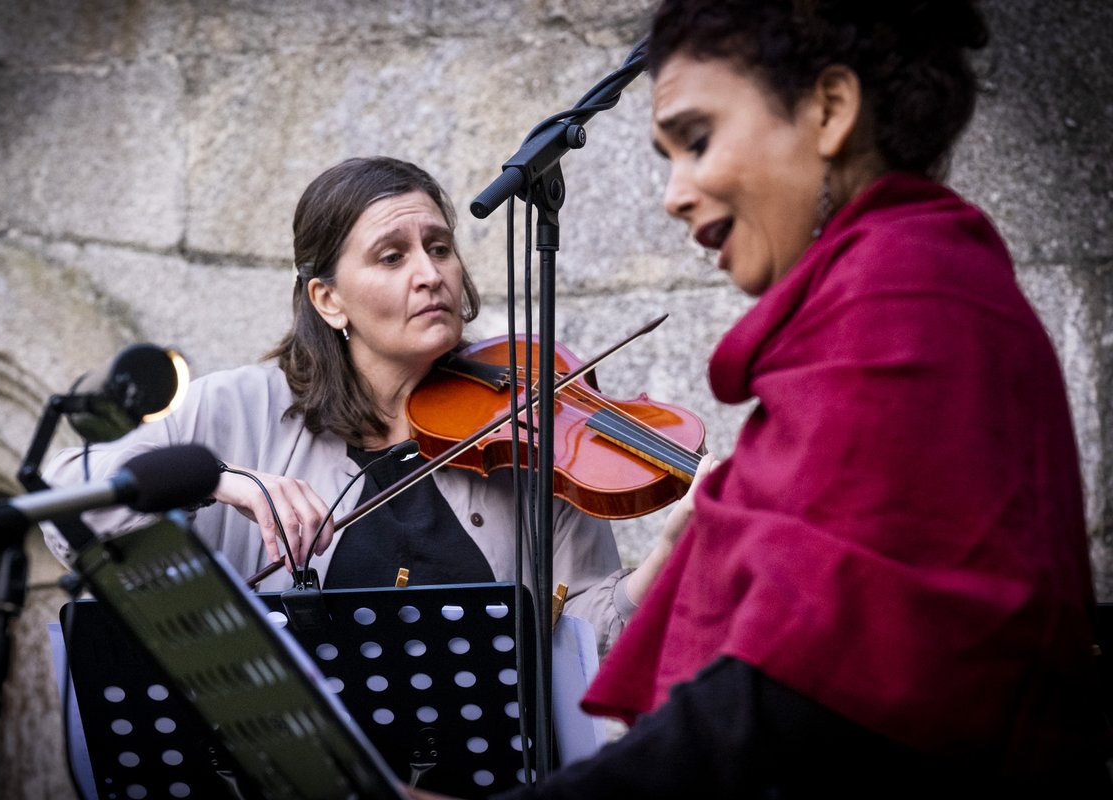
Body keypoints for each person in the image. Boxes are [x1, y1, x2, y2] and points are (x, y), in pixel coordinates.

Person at [413, 1, 1112, 798]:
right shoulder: (899, 284)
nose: (675, 195)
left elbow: (799, 701)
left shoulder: (906, 298)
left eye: (698, 140)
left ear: (829, 110)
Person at [42, 156, 713, 656]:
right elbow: (64, 498)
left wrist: (664, 563)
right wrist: (224, 481)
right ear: (328, 300)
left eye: (440, 248)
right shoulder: (242, 407)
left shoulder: (531, 428)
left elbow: (579, 647)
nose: (431, 274)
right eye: (392, 257)